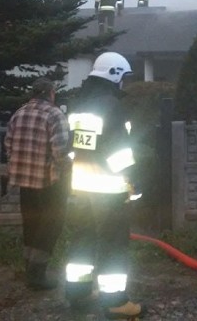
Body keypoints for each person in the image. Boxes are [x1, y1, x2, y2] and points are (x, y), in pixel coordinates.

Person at [64, 52, 144, 319]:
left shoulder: (79, 103)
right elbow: (116, 151)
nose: (124, 83)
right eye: (123, 77)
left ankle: (78, 292)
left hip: (80, 187)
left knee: (82, 239)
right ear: (114, 75)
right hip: (108, 189)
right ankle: (115, 301)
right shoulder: (112, 105)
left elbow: (73, 149)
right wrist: (133, 179)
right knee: (113, 243)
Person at [4, 77, 71, 290]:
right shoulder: (55, 114)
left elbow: (9, 145)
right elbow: (60, 151)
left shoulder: (18, 113)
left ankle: (29, 267)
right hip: (47, 181)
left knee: (31, 223)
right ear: (51, 93)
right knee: (51, 223)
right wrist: (70, 167)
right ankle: (37, 273)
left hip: (23, 179)